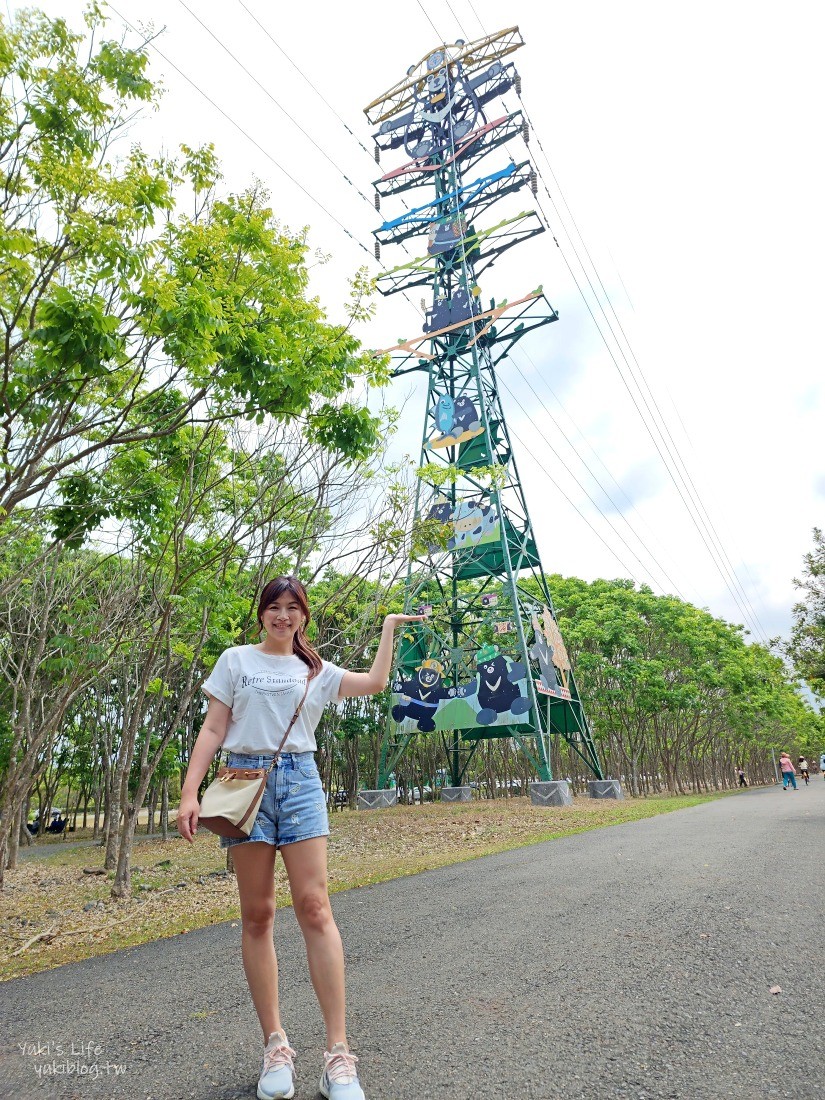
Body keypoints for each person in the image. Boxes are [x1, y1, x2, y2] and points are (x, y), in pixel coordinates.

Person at [177, 575, 423, 1100]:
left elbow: (375, 683)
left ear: (304, 616)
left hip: (301, 781)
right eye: (273, 607)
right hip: (243, 784)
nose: (282, 616)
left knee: (315, 907)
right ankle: (276, 1046)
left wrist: (388, 630)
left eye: (293, 608)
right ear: (261, 613)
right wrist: (189, 792)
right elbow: (214, 730)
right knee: (258, 913)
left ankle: (338, 1055)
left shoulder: (316, 671)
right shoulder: (235, 660)